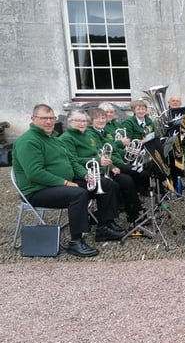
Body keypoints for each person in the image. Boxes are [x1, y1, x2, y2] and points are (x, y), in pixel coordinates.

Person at [12, 104, 127, 257]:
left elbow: (72, 161)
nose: (48, 122)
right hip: (37, 190)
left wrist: (86, 175)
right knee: (78, 194)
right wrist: (65, 183)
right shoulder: (28, 141)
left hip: (61, 183)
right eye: (44, 118)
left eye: (51, 118)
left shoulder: (53, 139)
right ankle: (76, 242)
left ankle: (104, 227)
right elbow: (35, 173)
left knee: (104, 183)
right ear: (33, 119)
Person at [60, 109, 144, 225]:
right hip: (85, 173)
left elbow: (102, 151)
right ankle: (106, 222)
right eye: (78, 121)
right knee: (111, 185)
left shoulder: (88, 134)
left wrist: (112, 165)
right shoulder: (66, 138)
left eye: (84, 121)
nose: (82, 123)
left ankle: (134, 214)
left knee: (126, 180)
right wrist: (98, 161)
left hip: (101, 168)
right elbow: (74, 160)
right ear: (69, 122)